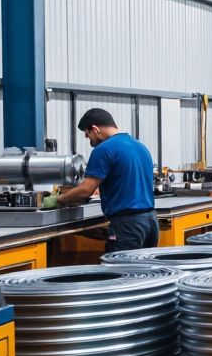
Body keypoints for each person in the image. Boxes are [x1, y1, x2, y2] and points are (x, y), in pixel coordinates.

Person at [43, 108, 159, 252]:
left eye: (87, 135)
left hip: (127, 225)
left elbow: (86, 190)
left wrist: (58, 200)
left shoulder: (103, 149)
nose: (89, 141)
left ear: (95, 129)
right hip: (151, 222)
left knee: (120, 272)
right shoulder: (140, 146)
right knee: (145, 272)